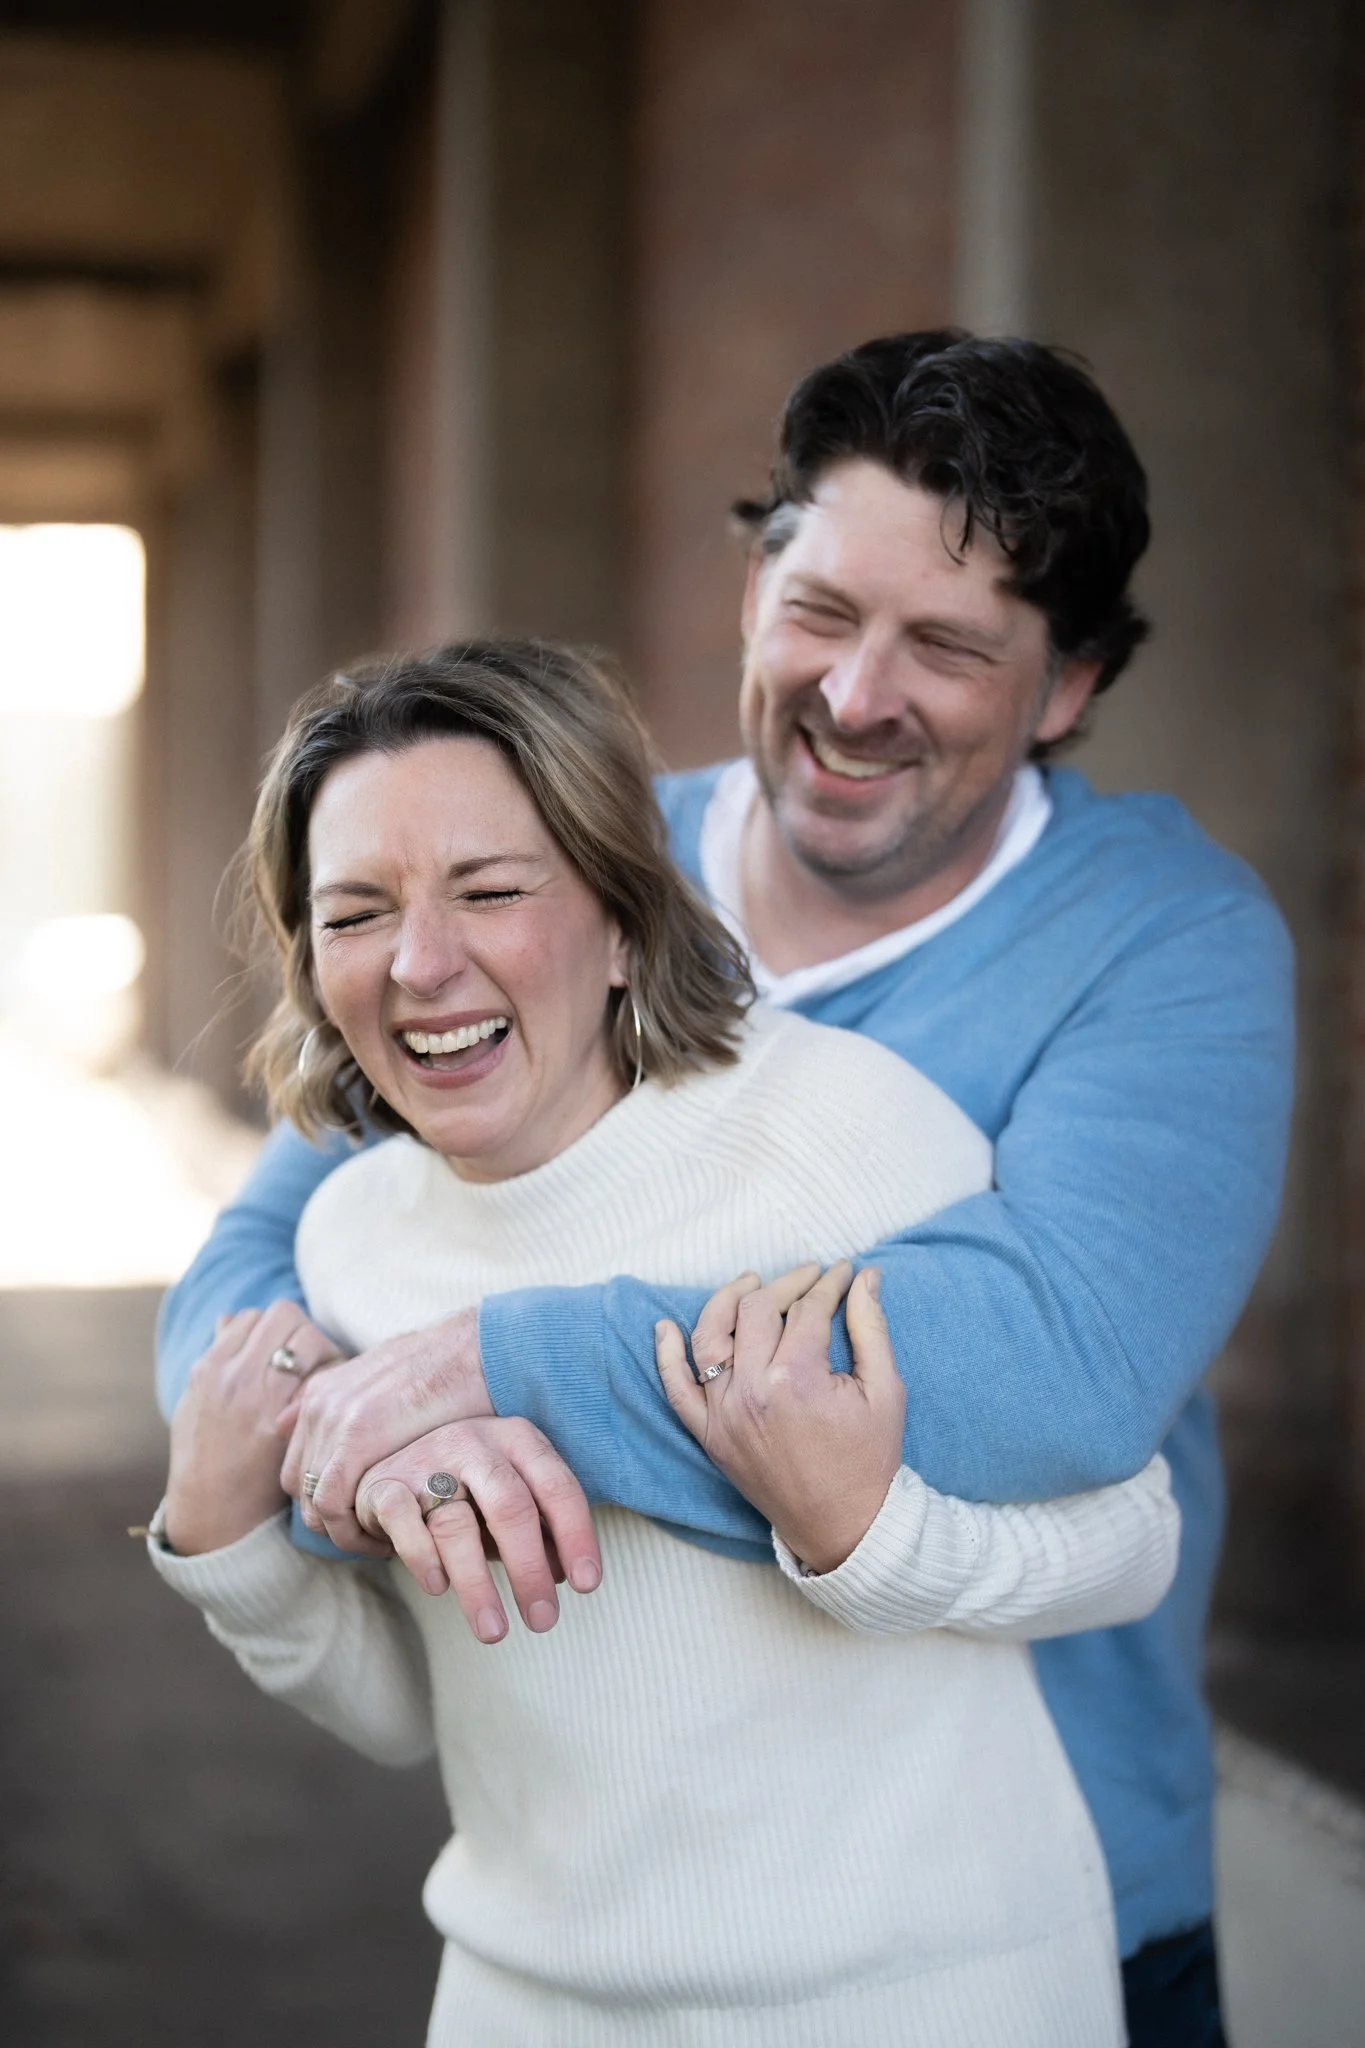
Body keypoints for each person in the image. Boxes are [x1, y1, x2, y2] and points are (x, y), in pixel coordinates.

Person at [158, 332, 1296, 2047]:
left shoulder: (1166, 942)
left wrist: (498, 1365)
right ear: (758, 585)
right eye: (823, 613)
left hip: (1022, 1901)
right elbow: (266, 1257)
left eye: (949, 647)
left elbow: (1059, 1366)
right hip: (593, 1911)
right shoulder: (547, 860)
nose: (853, 697)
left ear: (1065, 691)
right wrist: (363, 1426)